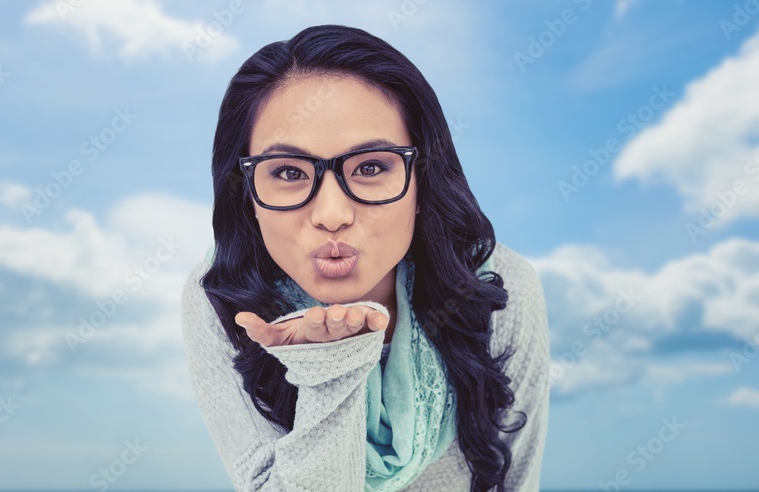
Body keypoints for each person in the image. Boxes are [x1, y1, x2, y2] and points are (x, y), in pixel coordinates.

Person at [181, 24, 550, 491]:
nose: (332, 215)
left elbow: (515, 481)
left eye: (371, 167)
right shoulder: (223, 297)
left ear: (422, 180)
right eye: (290, 172)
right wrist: (326, 367)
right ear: (247, 194)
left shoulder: (499, 287)